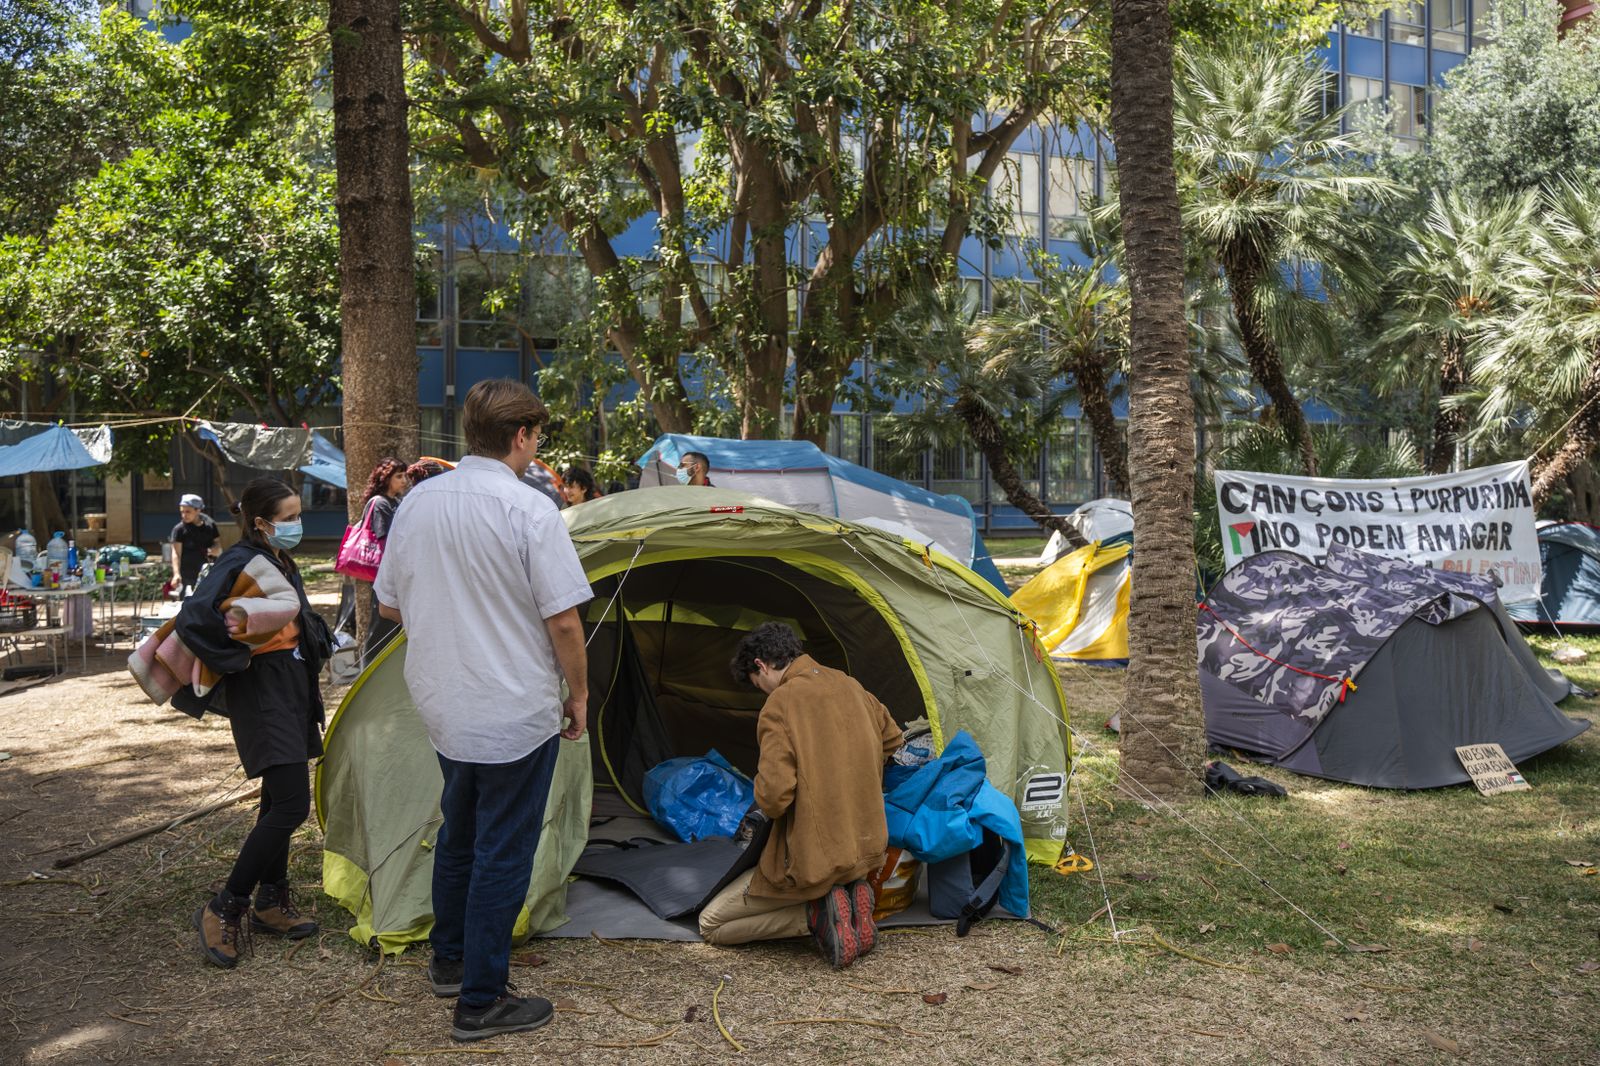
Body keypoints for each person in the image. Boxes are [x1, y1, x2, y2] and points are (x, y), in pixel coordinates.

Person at [375, 379, 592, 1044]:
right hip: (513, 710)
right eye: (537, 436)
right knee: (503, 849)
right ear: (522, 436)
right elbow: (563, 620)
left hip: (445, 702)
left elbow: (388, 604)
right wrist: (579, 694)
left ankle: (450, 959)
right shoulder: (529, 509)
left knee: (460, 831)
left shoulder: (417, 503)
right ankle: (481, 999)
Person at [182, 478, 333, 969]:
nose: (297, 524)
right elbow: (194, 618)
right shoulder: (238, 560)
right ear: (262, 522)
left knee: (276, 797)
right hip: (263, 690)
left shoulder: (279, 558)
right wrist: (237, 657)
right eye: (289, 518)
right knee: (291, 804)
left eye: (298, 514)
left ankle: (271, 898)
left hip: (292, 686)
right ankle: (226, 905)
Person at [698, 622, 903, 968]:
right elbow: (893, 738)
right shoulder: (850, 684)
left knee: (712, 923)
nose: (762, 691)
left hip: (816, 862)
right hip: (866, 852)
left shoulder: (780, 703)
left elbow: (774, 797)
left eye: (757, 683)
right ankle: (851, 904)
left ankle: (815, 913)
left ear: (761, 665)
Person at [359, 458, 410, 659]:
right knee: (381, 627)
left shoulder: (397, 502)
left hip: (393, 572)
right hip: (383, 573)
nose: (404, 480)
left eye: (404, 475)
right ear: (385, 478)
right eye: (398, 476)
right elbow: (385, 540)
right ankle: (370, 666)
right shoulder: (380, 503)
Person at [170, 494, 220, 599]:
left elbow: (217, 543)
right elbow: (176, 554)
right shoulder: (179, 530)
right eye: (182, 512)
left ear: (198, 510)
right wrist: (176, 574)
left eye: (188, 512)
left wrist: (216, 549)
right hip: (187, 576)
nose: (184, 515)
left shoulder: (210, 525)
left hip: (208, 573)